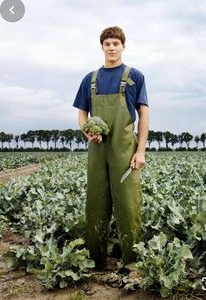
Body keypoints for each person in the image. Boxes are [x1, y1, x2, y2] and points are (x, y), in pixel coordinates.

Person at [73, 26, 149, 270]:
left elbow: (143, 114)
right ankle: (94, 260)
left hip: (125, 149)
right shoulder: (90, 79)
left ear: (123, 47)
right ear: (102, 47)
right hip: (97, 150)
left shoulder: (134, 76)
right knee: (95, 203)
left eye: (116, 43)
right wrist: (88, 131)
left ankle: (132, 262)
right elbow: (82, 114)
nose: (112, 48)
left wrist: (140, 151)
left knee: (128, 204)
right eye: (108, 44)